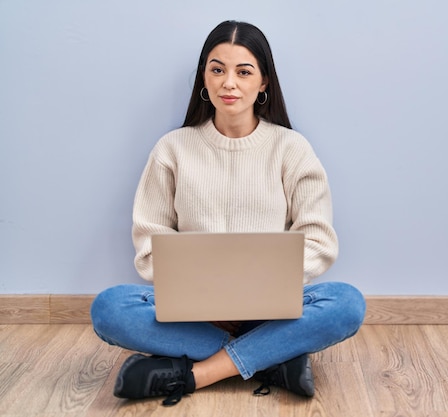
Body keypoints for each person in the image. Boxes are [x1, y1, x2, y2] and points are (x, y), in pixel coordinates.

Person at [90, 20, 366, 406]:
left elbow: (319, 240)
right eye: (217, 69)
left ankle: (195, 374)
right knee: (109, 308)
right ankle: (273, 359)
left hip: (272, 310)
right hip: (194, 313)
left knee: (347, 303)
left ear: (264, 82)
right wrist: (202, 293)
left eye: (243, 71)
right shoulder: (173, 148)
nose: (228, 83)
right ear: (204, 76)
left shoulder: (292, 148)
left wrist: (258, 287)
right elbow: (150, 241)